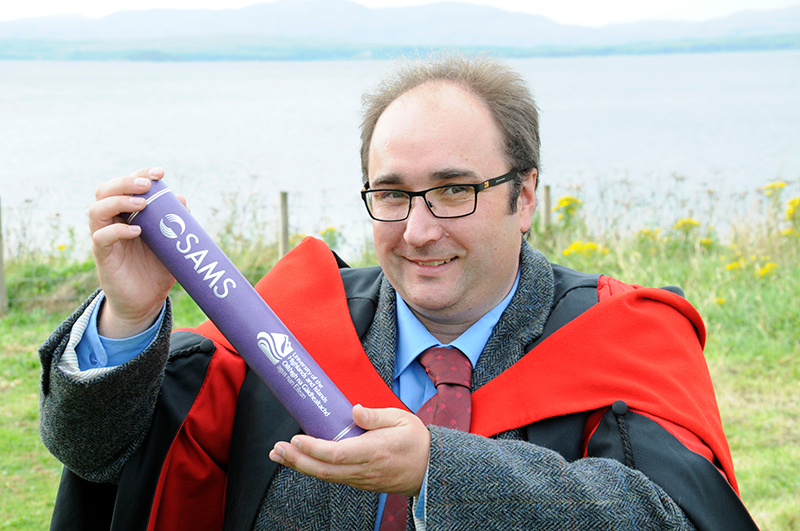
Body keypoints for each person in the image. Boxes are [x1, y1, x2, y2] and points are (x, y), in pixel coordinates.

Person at [39, 54, 758, 531]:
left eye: (453, 189)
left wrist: (437, 470)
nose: (416, 231)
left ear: (526, 195)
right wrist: (130, 315)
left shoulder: (624, 339)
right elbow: (96, 456)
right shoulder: (284, 332)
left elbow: (673, 516)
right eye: (390, 193)